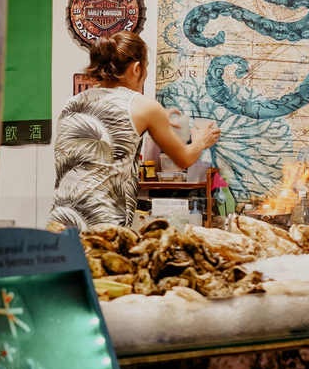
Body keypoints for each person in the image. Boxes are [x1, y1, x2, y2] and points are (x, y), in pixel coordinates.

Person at [48, 31, 220, 232]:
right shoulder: (144, 107)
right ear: (137, 69)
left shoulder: (72, 103)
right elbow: (183, 159)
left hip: (59, 225)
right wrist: (201, 140)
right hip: (103, 230)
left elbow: (107, 129)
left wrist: (154, 118)